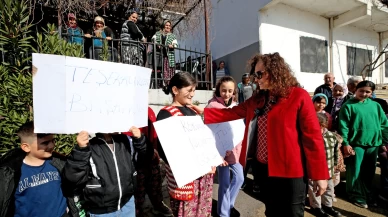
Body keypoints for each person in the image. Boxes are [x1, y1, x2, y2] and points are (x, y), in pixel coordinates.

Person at [197, 53, 329, 217]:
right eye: (255, 74)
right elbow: (233, 112)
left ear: (275, 71)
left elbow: (313, 138)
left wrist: (320, 175)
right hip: (264, 170)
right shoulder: (258, 98)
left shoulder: (298, 95)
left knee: (292, 213)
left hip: (291, 172)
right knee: (271, 212)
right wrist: (204, 114)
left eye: (260, 74)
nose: (256, 78)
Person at [157, 72, 216, 217]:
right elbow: (166, 152)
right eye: (189, 90)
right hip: (186, 180)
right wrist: (197, 166)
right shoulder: (166, 114)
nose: (192, 94)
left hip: (203, 177)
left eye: (194, 90)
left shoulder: (192, 111)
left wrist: (213, 159)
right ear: (175, 90)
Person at [0, 121, 80, 217]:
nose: (51, 145)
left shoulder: (58, 163)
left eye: (52, 140)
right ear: (26, 147)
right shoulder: (11, 172)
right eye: (45, 143)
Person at [63, 127, 147, 217]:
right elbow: (72, 177)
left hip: (127, 204)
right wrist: (80, 151)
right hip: (102, 211)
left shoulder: (126, 140)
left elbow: (141, 160)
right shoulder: (89, 145)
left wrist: (140, 141)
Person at [338, 80, 388, 208]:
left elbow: (384, 124)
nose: (364, 94)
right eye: (361, 91)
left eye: (368, 92)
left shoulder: (376, 106)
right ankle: (355, 194)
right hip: (356, 144)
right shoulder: (348, 106)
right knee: (355, 171)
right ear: (356, 90)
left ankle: (365, 192)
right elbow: (343, 127)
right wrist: (346, 143)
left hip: (373, 143)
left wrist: (384, 141)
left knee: (369, 171)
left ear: (372, 93)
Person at [124, 107, 173, 217]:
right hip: (135, 160)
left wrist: (155, 149)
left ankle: (158, 205)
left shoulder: (149, 110)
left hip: (151, 155)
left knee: (155, 185)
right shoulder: (124, 111)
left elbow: (154, 133)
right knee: (138, 189)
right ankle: (138, 210)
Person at [206, 76, 244, 217]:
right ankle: (223, 213)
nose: (226, 94)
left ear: (234, 91)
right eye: (223, 90)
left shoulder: (235, 105)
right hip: (221, 152)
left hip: (234, 151)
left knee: (240, 177)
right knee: (224, 183)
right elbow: (210, 130)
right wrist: (217, 154)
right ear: (218, 90)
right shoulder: (212, 106)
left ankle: (229, 205)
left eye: (230, 91)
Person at [308, 113, 342, 217]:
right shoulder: (309, 136)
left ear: (325, 125)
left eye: (320, 126)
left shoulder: (331, 136)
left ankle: (328, 205)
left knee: (329, 189)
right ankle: (316, 207)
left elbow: (336, 151)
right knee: (315, 190)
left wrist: (335, 165)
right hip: (314, 171)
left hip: (329, 169)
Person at [151, 20, 178, 87]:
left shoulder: (172, 36)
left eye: (169, 25)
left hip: (167, 57)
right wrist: (157, 44)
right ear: (164, 26)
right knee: (158, 71)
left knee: (168, 73)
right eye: (166, 25)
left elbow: (176, 44)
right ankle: (158, 85)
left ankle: (168, 86)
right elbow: (153, 39)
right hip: (159, 56)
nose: (168, 27)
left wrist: (172, 45)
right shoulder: (158, 33)